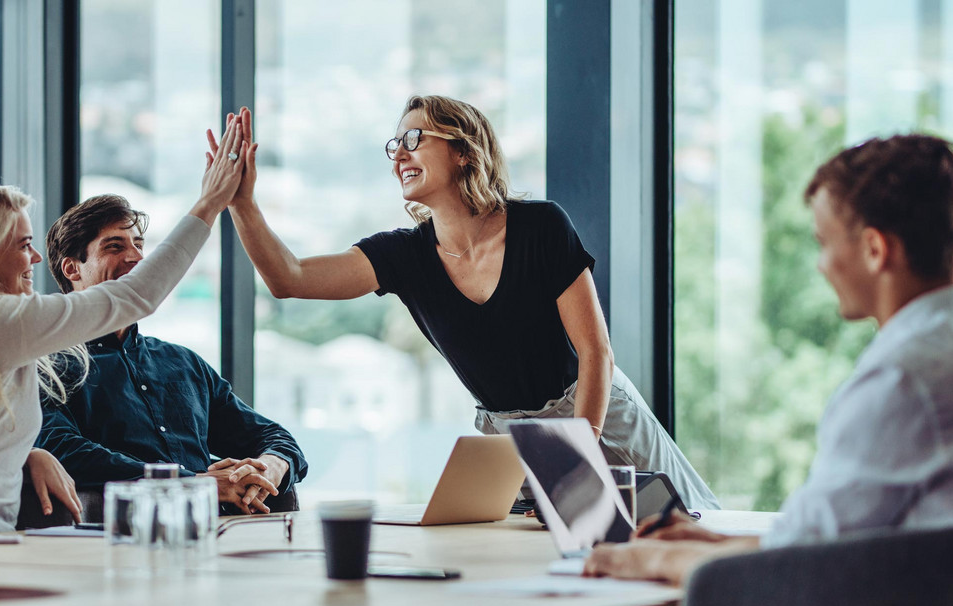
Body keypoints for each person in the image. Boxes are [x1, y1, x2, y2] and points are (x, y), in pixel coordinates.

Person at [219, 95, 719, 510]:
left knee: (687, 531)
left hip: (596, 413)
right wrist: (242, 203)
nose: (399, 155)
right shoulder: (404, 255)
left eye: (415, 138)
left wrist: (575, 454)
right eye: (395, 145)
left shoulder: (541, 226)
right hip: (510, 442)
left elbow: (596, 354)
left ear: (463, 150)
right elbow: (290, 278)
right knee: (543, 565)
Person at [583, 134, 953, 584]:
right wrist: (713, 542)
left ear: (874, 250)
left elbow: (798, 566)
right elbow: (823, 538)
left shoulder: (903, 378)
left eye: (825, 244)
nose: (821, 265)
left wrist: (649, 560)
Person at [0, 115, 248, 538]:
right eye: (23, 245)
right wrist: (209, 204)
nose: (35, 259)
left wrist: (28, 453)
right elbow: (136, 296)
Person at [36, 194, 308, 515]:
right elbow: (61, 449)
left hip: (221, 534)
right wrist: (191, 483)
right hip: (124, 536)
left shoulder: (183, 362)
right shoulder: (47, 365)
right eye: (114, 246)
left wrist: (271, 466)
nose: (137, 257)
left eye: (138, 244)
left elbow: (271, 435)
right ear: (72, 268)